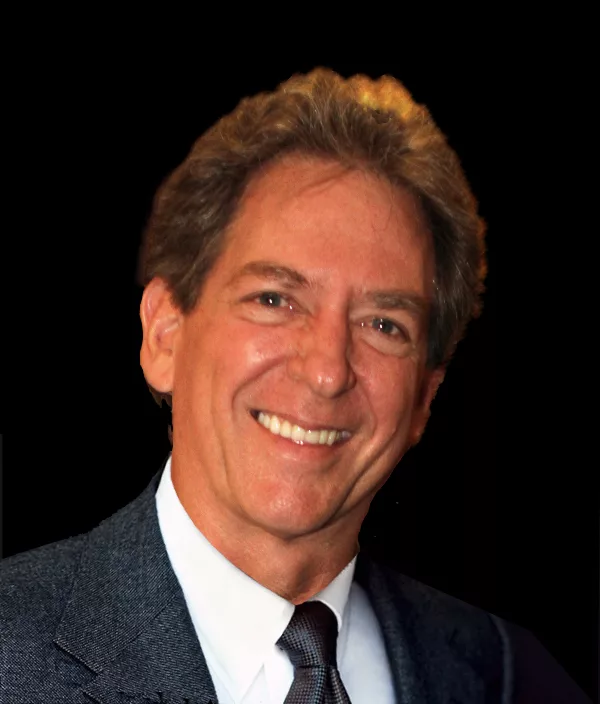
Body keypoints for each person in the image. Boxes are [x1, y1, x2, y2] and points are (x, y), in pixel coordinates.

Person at [0, 68, 591, 704]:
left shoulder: (501, 674)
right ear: (165, 334)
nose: (327, 371)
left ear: (425, 397)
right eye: (275, 298)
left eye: (384, 324)